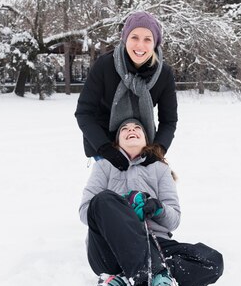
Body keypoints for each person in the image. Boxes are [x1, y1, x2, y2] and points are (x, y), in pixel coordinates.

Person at [79, 118, 223, 286]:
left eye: (138, 128)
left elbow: (174, 220)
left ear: (146, 139)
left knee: (212, 261)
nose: (132, 130)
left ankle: (125, 283)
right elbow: (85, 211)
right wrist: (123, 206)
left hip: (156, 244)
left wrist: (157, 208)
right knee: (103, 199)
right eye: (125, 129)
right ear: (117, 140)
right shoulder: (104, 166)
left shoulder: (160, 169)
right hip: (110, 249)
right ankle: (156, 275)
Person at [74, 11, 178, 171]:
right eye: (134, 37)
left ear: (155, 43)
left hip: (144, 144)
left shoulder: (164, 74)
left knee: (144, 193)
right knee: (111, 193)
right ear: (125, 39)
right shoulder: (104, 66)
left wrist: (158, 151)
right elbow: (84, 112)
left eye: (147, 39)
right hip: (105, 142)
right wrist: (105, 149)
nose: (140, 45)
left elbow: (168, 121)